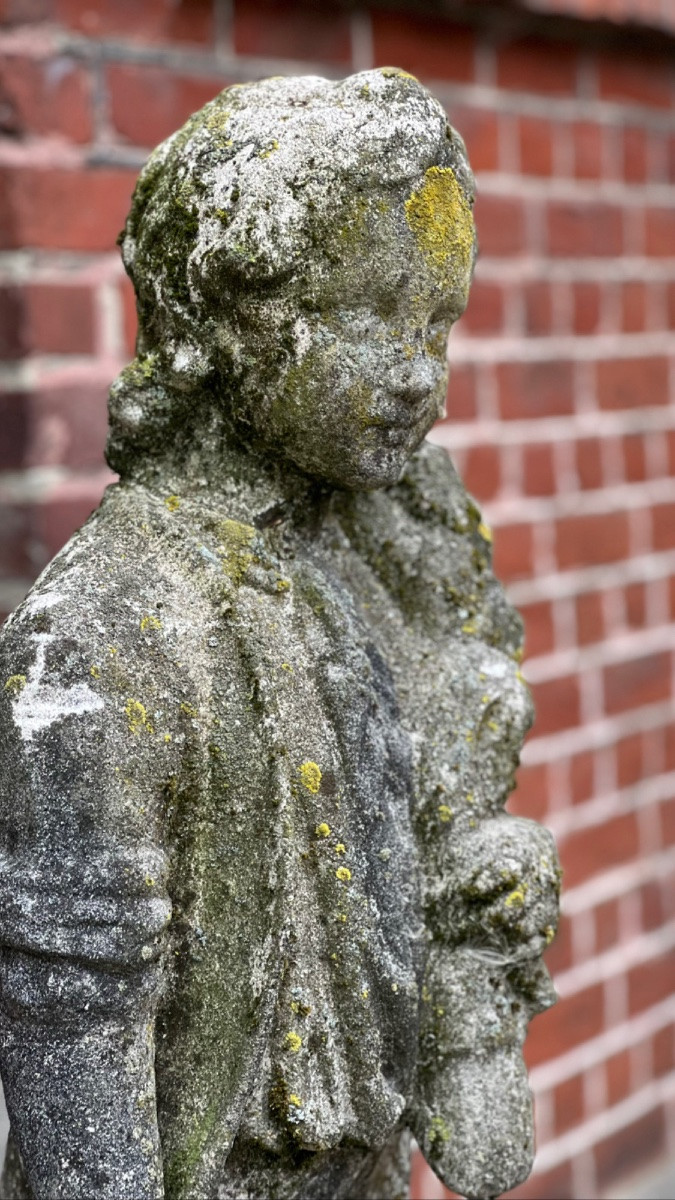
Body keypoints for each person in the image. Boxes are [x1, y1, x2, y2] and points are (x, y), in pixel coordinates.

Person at [0, 69, 559, 1200]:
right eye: (370, 318)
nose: (421, 376)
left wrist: (474, 983)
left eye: (437, 324)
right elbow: (78, 1069)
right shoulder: (102, 645)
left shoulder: (372, 560)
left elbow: (481, 1135)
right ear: (226, 320)